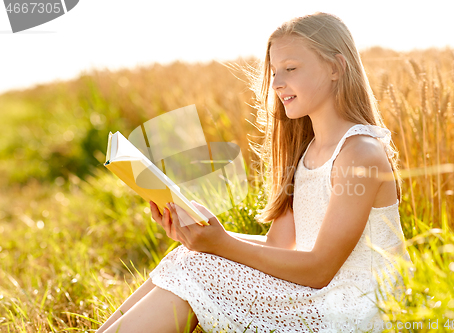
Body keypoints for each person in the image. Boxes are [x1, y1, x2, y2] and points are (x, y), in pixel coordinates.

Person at [97, 11, 413, 333]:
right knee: (186, 258)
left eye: (290, 69)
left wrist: (220, 244)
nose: (276, 83)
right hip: (321, 298)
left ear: (335, 67)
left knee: (197, 269)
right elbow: (279, 247)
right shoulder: (307, 154)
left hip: (359, 310)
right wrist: (203, 235)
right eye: (275, 71)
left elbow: (320, 268)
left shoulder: (360, 154)